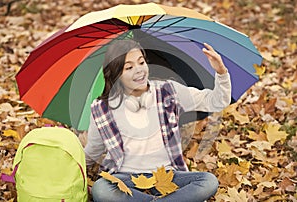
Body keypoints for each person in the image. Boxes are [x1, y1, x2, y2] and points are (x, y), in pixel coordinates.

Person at [85, 39, 231, 202]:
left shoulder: (169, 91)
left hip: (168, 175)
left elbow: (217, 101)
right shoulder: (102, 108)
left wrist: (221, 73)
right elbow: (93, 150)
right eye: (129, 67)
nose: (139, 70)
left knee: (208, 181)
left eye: (141, 62)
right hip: (125, 179)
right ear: (117, 73)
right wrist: (74, 169)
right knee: (101, 189)